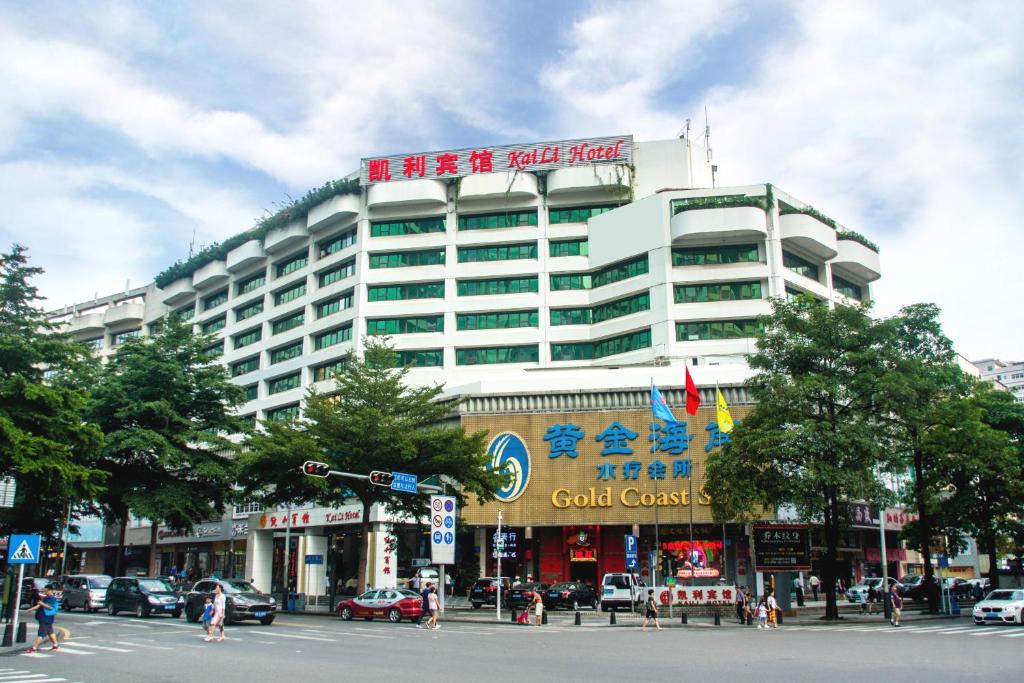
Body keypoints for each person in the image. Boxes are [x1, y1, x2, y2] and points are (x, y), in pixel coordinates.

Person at [25, 585, 60, 653]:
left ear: (50, 590)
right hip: (44, 617)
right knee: (50, 632)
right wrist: (30, 609)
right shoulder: (46, 598)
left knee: (41, 633)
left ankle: (34, 648)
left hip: (46, 617)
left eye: (45, 590)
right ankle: (55, 645)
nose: (44, 591)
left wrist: (42, 603)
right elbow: (39, 605)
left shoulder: (52, 598)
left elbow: (50, 607)